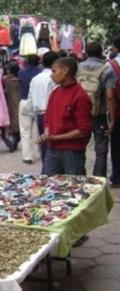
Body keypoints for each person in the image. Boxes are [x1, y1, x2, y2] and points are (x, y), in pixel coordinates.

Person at [38, 57, 92, 176]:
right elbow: (48, 118)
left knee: (74, 187)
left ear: (65, 71)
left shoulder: (80, 96)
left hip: (72, 151)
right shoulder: (55, 93)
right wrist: (47, 134)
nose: (51, 75)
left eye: (54, 71)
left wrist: (55, 138)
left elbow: (83, 130)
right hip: (52, 149)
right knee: (47, 184)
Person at [78, 42, 117, 177]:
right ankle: (98, 181)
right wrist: (112, 120)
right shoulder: (107, 70)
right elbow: (110, 96)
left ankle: (79, 177)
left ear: (86, 53)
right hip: (99, 115)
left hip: (81, 115)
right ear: (101, 52)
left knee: (79, 147)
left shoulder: (77, 68)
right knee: (100, 150)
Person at [29, 51, 58, 170]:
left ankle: (46, 169)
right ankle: (48, 170)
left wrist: (33, 114)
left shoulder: (36, 79)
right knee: (52, 145)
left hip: (40, 114)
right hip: (51, 115)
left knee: (45, 145)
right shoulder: (54, 78)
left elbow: (30, 99)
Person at [18, 54, 42, 164]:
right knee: (40, 129)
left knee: (25, 130)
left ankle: (27, 156)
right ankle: (42, 151)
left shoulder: (21, 72)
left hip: (25, 101)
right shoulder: (42, 72)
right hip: (39, 102)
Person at [108, 36, 120, 188]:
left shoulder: (112, 65)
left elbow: (110, 95)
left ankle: (117, 177)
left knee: (117, 145)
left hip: (118, 111)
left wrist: (112, 119)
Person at [2, 61, 21, 152]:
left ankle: (11, 142)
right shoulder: (19, 79)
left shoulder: (4, 80)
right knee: (18, 124)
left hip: (6, 104)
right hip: (18, 103)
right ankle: (15, 141)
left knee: (8, 125)